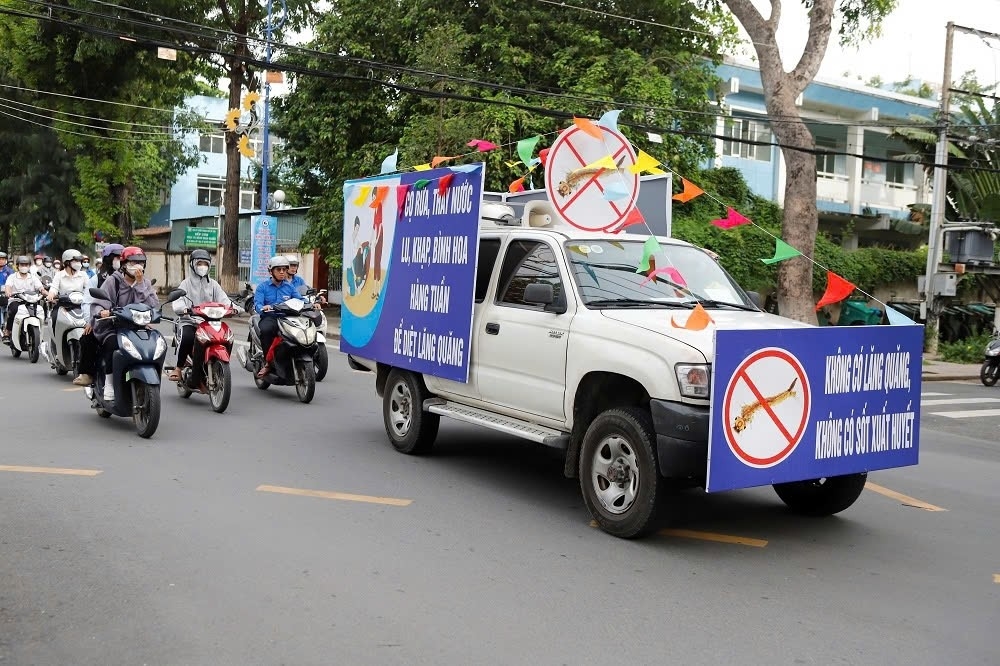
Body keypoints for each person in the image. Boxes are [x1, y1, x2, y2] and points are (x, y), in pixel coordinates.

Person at [89, 246, 158, 401]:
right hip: (114, 326)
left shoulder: (145, 283)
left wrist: (140, 286)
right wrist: (102, 311)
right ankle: (109, 384)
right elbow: (99, 302)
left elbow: (153, 304)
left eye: (141, 263)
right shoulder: (113, 281)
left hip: (138, 326)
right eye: (133, 262)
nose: (138, 266)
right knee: (112, 345)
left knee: (156, 342)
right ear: (124, 264)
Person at [166, 249, 239, 384]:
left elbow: (224, 300)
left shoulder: (213, 284)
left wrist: (235, 309)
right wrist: (183, 309)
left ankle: (216, 364)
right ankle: (178, 368)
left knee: (227, 336)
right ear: (193, 264)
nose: (202, 267)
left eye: (205, 264)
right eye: (199, 263)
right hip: (190, 320)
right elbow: (178, 301)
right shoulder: (185, 283)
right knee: (188, 336)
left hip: (210, 321)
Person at [74, 244, 124, 386]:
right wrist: (91, 321)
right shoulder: (96, 279)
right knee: (87, 338)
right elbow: (88, 302)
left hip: (127, 321)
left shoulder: (128, 277)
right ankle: (87, 373)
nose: (120, 260)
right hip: (104, 321)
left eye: (122, 257)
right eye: (117, 257)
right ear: (108, 259)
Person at [253, 255, 299, 378]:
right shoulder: (263, 287)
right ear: (271, 271)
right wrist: (263, 307)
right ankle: (269, 363)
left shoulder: (289, 287)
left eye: (284, 269)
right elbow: (257, 304)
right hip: (270, 317)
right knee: (267, 330)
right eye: (279, 270)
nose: (282, 272)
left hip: (286, 318)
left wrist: (312, 303)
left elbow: (299, 299)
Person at [2, 255, 46, 344]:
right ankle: (7, 331)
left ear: (29, 266)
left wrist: (46, 293)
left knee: (39, 311)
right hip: (16, 300)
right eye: (22, 265)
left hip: (31, 301)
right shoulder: (12, 277)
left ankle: (39, 335)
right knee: (14, 310)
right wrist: (8, 292)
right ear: (18, 266)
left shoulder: (33, 277)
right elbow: (8, 286)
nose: (24, 267)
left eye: (26, 265)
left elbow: (41, 288)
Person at [47, 249, 88, 336]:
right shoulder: (59, 275)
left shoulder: (83, 275)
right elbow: (54, 288)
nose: (79, 263)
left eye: (79, 261)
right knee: (54, 317)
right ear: (67, 262)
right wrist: (51, 294)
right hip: (63, 305)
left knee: (91, 321)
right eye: (76, 261)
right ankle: (56, 343)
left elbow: (88, 289)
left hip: (81, 306)